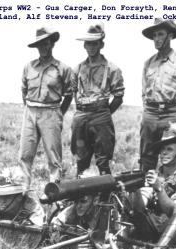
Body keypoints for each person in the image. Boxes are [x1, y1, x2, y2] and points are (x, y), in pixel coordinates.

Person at [130, 124, 176, 249]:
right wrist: (135, 191)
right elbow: (140, 208)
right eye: (162, 149)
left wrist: (159, 189)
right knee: (128, 196)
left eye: (169, 149)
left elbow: (173, 210)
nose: (163, 153)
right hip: (155, 230)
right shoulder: (155, 174)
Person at [139, 19, 176, 173]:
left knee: (173, 155)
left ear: (170, 36)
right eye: (154, 35)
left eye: (161, 34)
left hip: (172, 113)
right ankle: (145, 191)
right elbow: (144, 91)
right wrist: (147, 113)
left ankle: (171, 190)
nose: (157, 39)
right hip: (151, 114)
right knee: (147, 156)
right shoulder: (148, 63)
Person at [19, 27, 73, 187]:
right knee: (25, 155)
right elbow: (24, 90)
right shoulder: (29, 67)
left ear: (52, 44)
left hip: (51, 112)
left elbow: (69, 94)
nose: (43, 47)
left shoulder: (62, 68)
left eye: (46, 43)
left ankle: (54, 194)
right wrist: (30, 109)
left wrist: (58, 113)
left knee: (54, 158)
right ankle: (22, 192)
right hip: (30, 112)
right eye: (40, 45)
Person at [71, 24, 125, 177]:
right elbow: (74, 93)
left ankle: (106, 197)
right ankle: (81, 198)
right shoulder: (77, 69)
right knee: (81, 160)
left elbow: (118, 97)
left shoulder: (112, 69)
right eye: (88, 43)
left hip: (101, 116)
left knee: (103, 161)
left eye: (95, 43)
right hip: (81, 117)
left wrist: (104, 112)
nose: (91, 47)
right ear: (84, 45)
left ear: (101, 44)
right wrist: (83, 110)